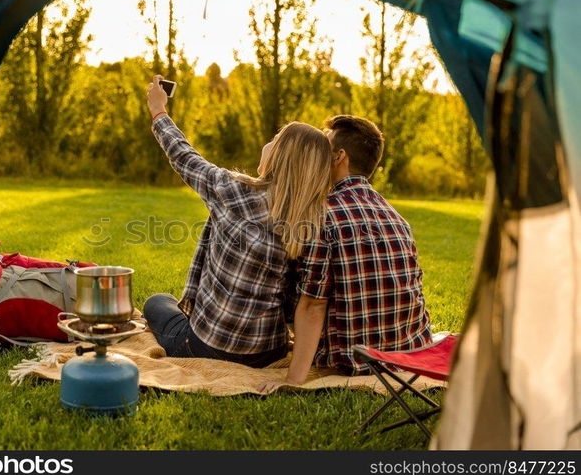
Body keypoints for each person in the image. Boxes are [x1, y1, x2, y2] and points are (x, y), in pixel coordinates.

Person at [142, 75, 333, 368]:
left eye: (274, 141)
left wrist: (158, 110)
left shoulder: (234, 190)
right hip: (269, 351)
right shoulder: (315, 220)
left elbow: (183, 155)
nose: (267, 145)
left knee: (157, 302)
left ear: (279, 156)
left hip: (209, 346)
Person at [260, 115, 432, 391]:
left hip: (353, 359)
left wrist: (294, 380)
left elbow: (313, 306)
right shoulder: (397, 218)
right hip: (408, 351)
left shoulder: (322, 216)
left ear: (339, 156)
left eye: (323, 149)